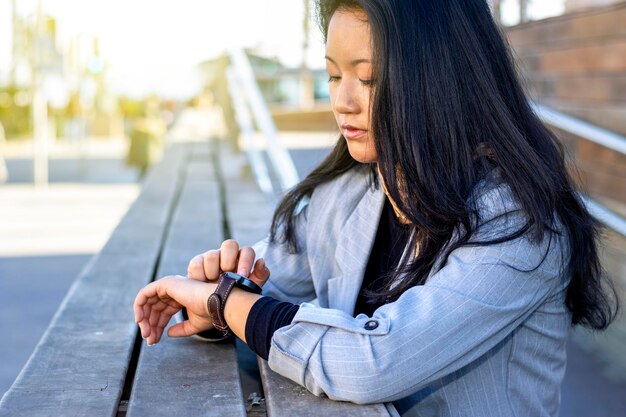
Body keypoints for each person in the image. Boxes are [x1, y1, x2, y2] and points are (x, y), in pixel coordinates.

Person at [133, 1, 618, 416]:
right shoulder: (350, 192)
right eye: (332, 75)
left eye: (368, 78)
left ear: (440, 80)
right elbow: (266, 282)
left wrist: (224, 303)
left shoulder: (518, 224)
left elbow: (371, 363)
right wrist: (221, 290)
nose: (342, 101)